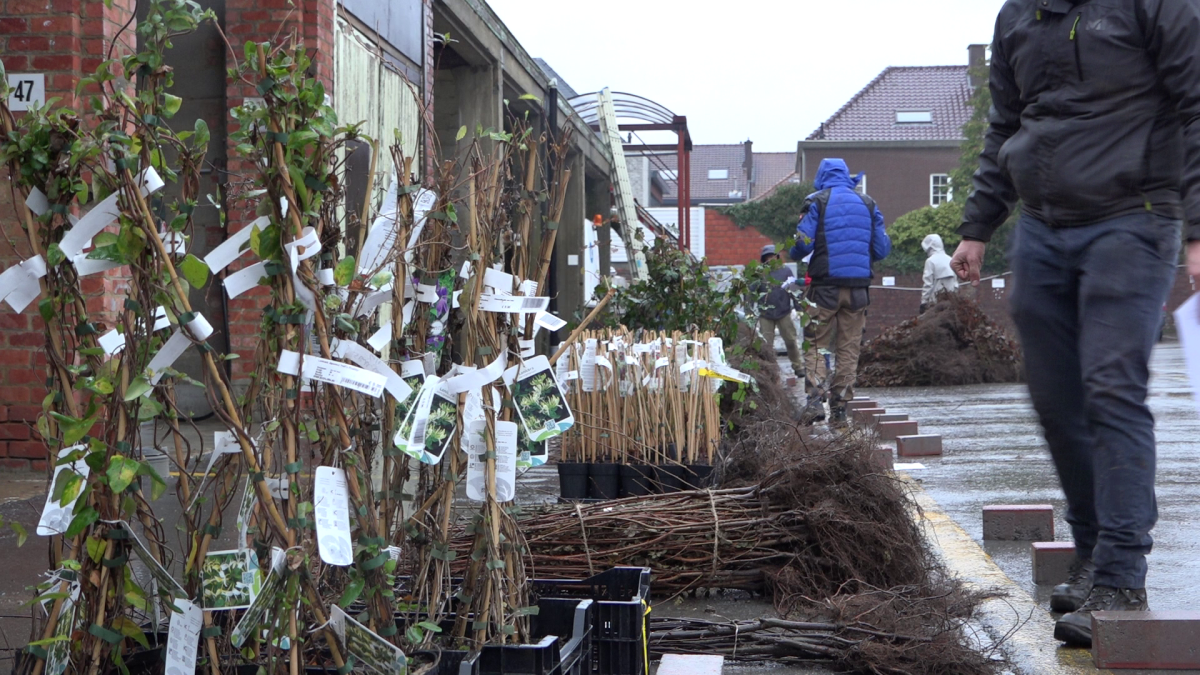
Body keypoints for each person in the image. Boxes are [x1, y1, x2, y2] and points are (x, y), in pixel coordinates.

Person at [952, 0, 1200, 648]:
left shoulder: (1156, 7)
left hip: (1135, 216)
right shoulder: (1017, 18)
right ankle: (1092, 551)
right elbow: (1005, 122)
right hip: (1042, 223)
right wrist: (979, 224)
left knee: (1112, 386)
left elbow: (1197, 102)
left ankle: (1121, 574)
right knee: (1056, 396)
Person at [790, 158, 891, 425]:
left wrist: (793, 247)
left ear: (821, 176)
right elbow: (881, 249)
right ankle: (840, 408)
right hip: (858, 289)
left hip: (824, 287)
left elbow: (802, 245)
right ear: (847, 176)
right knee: (848, 348)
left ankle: (814, 400)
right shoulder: (869, 204)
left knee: (815, 341)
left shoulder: (817, 201)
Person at [754, 245, 804, 379]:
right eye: (767, 257)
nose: (770, 259)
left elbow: (794, 290)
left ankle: (798, 367)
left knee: (791, 341)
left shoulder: (786, 271)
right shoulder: (759, 273)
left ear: (777, 257)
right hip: (766, 315)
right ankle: (768, 370)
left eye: (772, 256)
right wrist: (749, 310)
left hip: (784, 312)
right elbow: (751, 292)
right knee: (766, 345)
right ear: (763, 259)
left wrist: (798, 308)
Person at [920, 233, 958, 313]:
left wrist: (924, 302)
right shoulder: (950, 259)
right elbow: (955, 283)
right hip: (952, 301)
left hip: (935, 302)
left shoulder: (930, 261)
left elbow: (928, 284)